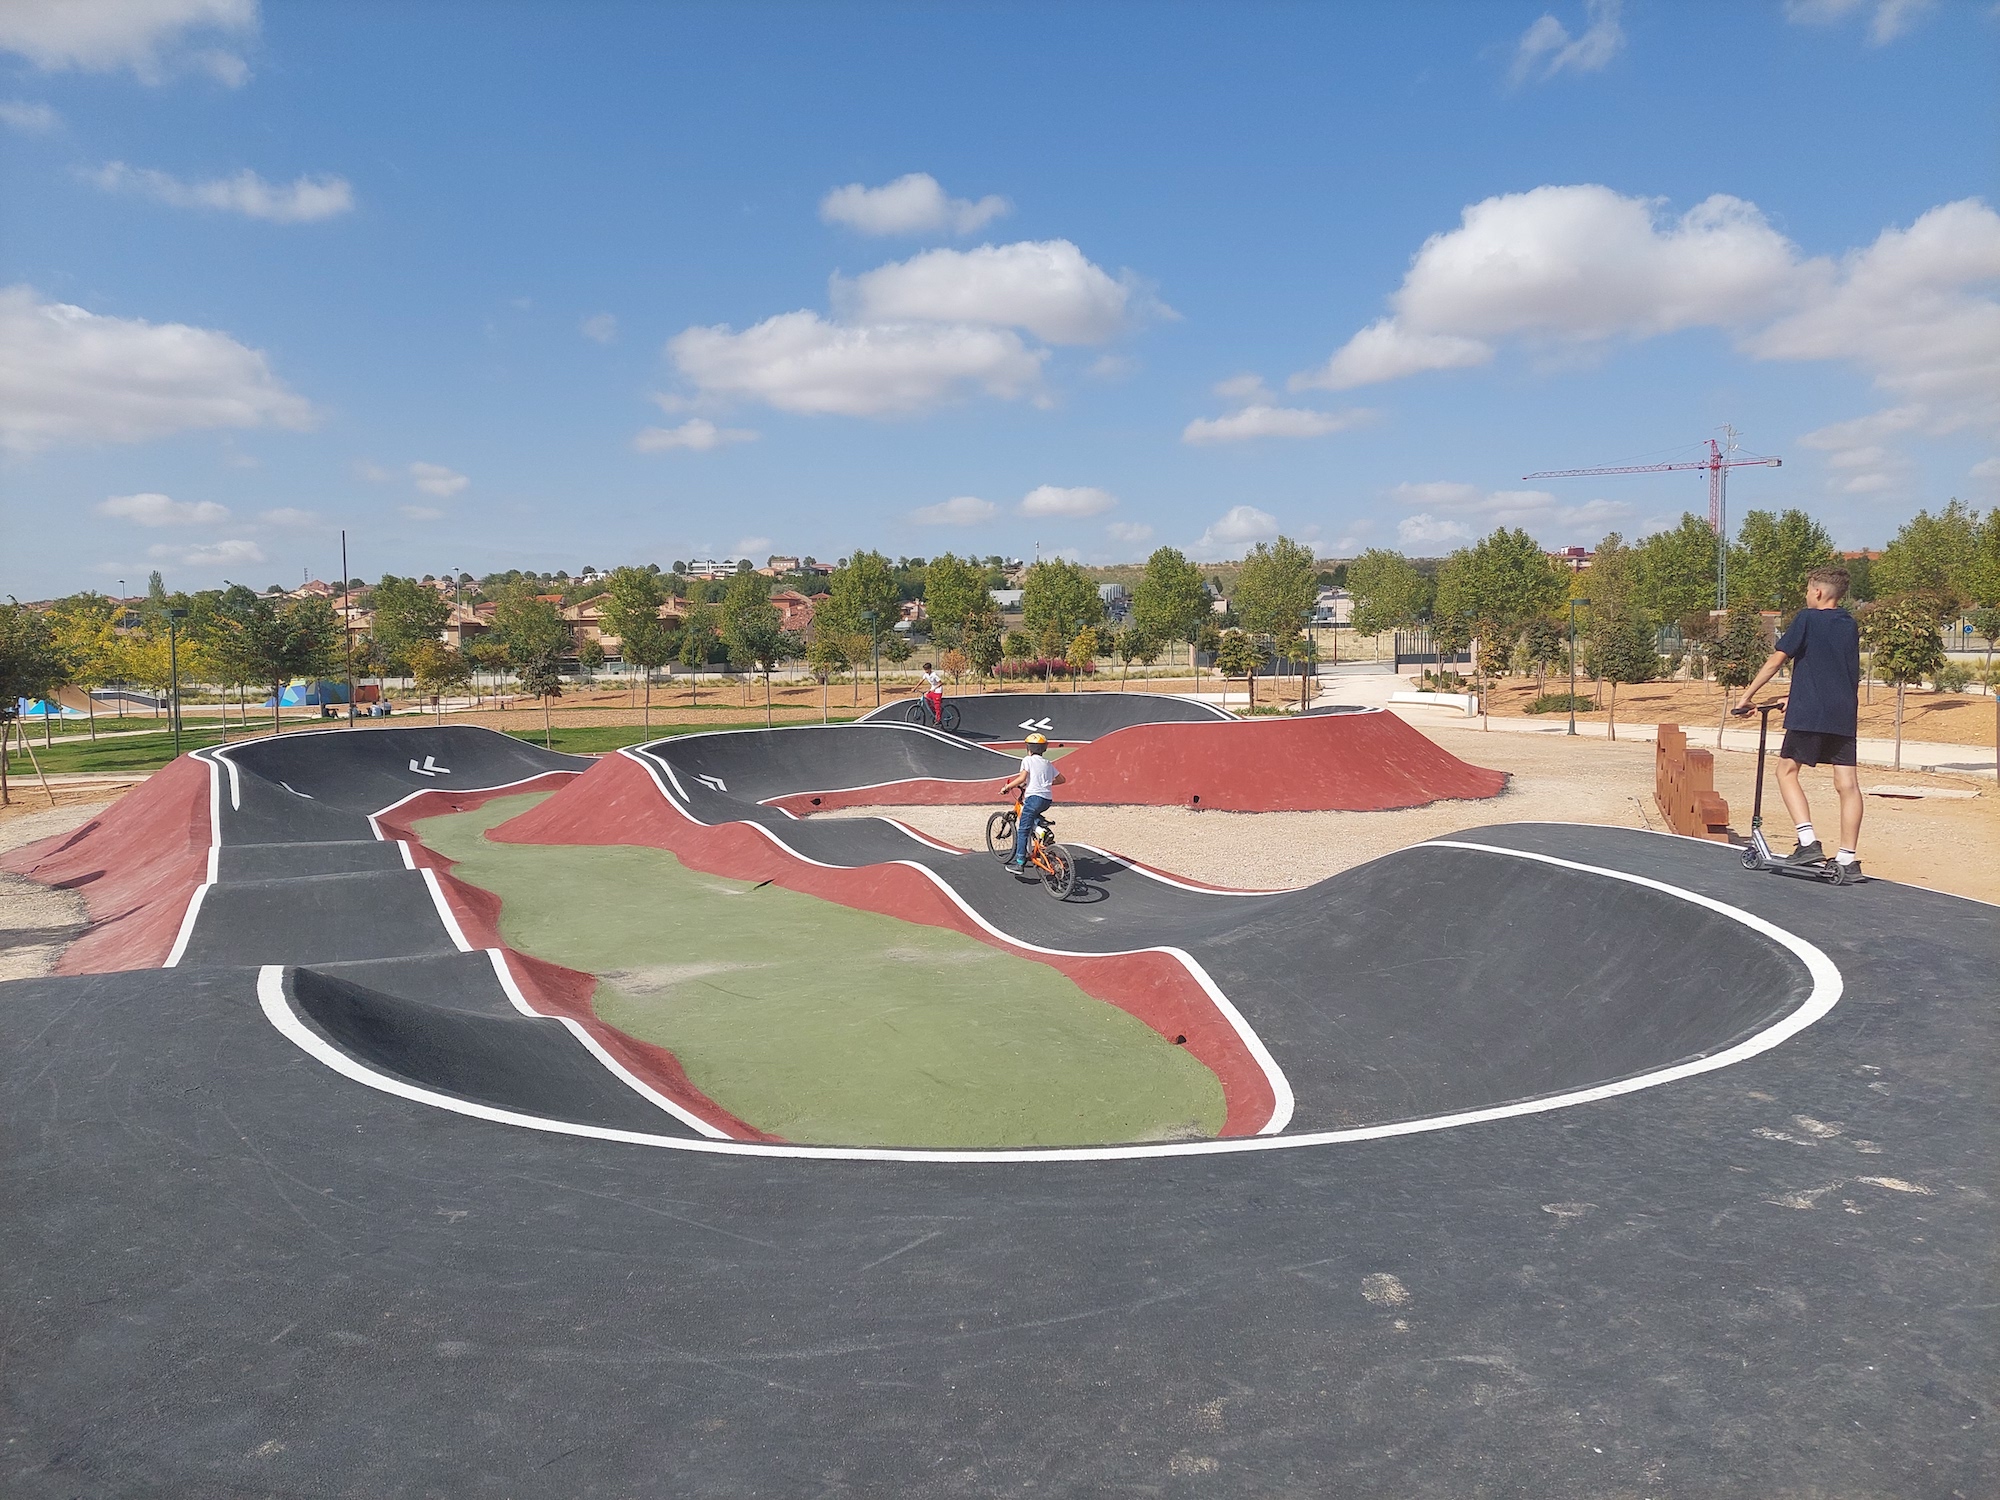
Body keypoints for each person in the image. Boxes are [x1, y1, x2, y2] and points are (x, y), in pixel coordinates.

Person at [1732, 565, 1864, 883]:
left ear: (1817, 592)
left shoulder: (1807, 617)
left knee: (1786, 771)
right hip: (1843, 711)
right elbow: (1832, 668)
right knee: (1847, 784)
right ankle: (1847, 858)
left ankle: (1807, 843)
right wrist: (1796, 694)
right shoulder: (1849, 623)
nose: (1807, 596)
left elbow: (1777, 659)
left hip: (1811, 712)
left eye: (1807, 591)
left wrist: (1746, 697)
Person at [1000, 731, 1064, 872]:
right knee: (1033, 816)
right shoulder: (1047, 763)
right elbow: (1061, 779)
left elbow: (1022, 778)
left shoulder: (1027, 760)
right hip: (1046, 799)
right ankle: (1041, 830)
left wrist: (1007, 787)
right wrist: (1045, 784)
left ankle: (1020, 862)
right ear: (1044, 748)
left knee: (1023, 829)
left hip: (1033, 798)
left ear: (1028, 748)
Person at [920, 661, 945, 726]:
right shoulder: (926, 674)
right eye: (925, 670)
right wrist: (915, 688)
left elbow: (940, 683)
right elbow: (921, 681)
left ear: (930, 669)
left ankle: (938, 719)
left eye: (927, 669)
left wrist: (934, 688)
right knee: (926, 698)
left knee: (937, 705)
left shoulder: (934, 675)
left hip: (938, 691)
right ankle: (935, 713)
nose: (925, 671)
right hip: (932, 690)